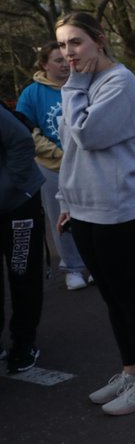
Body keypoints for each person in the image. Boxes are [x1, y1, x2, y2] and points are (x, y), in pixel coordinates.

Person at [54, 11, 135, 415]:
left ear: (99, 40)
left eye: (76, 42)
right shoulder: (82, 83)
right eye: (63, 44)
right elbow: (71, 151)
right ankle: (131, 370)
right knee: (112, 299)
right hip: (86, 208)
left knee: (132, 297)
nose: (69, 52)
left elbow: (89, 134)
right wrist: (68, 201)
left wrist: (77, 84)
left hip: (119, 208)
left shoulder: (117, 81)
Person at [15, 42, 89, 290]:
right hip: (52, 166)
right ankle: (73, 269)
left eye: (66, 59)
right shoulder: (31, 94)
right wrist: (58, 153)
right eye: (57, 60)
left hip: (87, 163)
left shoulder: (82, 84)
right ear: (45, 64)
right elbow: (26, 132)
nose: (64, 64)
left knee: (92, 215)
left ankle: (96, 264)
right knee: (62, 219)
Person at [1, 103, 45, 373]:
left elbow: (21, 141)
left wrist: (9, 189)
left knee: (22, 272)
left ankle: (24, 343)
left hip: (18, 204)